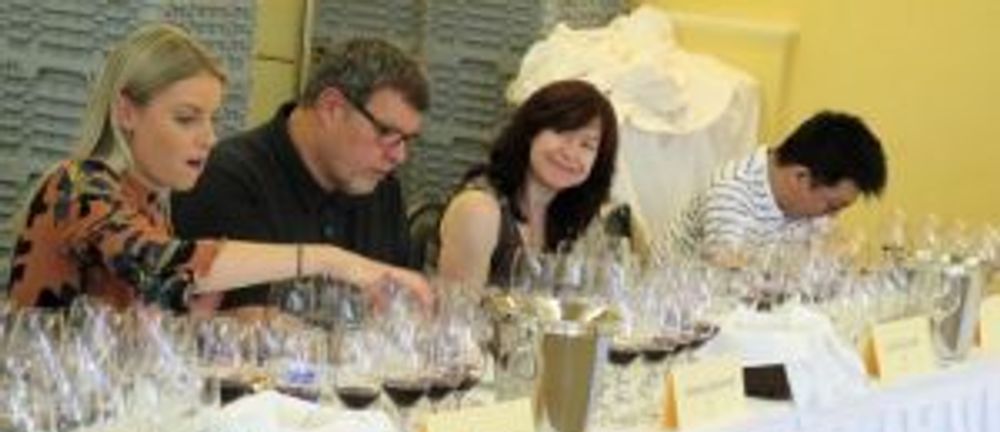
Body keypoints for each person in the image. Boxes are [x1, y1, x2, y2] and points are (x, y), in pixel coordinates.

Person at [6, 24, 431, 312]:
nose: (209, 138)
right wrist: (328, 260)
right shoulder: (76, 186)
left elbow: (143, 335)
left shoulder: (154, 204)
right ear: (126, 112)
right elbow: (161, 264)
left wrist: (215, 324)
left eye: (212, 119)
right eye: (186, 119)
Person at [172, 37, 427, 310]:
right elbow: (231, 323)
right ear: (332, 108)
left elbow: (400, 311)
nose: (399, 156)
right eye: (388, 134)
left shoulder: (382, 188)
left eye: (407, 140)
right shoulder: (225, 179)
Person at [435, 79, 619, 288]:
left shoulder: (572, 218)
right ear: (531, 132)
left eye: (587, 145)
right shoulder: (479, 209)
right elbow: (457, 306)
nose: (570, 153)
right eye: (561, 132)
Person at [667, 110, 887, 261]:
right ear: (800, 178)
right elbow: (728, 284)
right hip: (679, 305)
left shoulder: (803, 202)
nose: (832, 217)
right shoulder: (733, 195)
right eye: (831, 206)